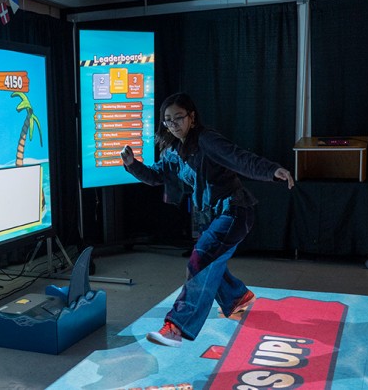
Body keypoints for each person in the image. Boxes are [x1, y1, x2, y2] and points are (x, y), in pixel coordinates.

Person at [120, 92, 294, 347]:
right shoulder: (173, 150)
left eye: (178, 118)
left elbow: (238, 157)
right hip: (214, 215)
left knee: (200, 260)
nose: (173, 124)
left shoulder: (206, 139)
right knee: (212, 259)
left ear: (192, 117)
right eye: (168, 120)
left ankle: (177, 328)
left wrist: (271, 170)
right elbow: (157, 176)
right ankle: (237, 298)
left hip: (235, 211)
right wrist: (132, 164)